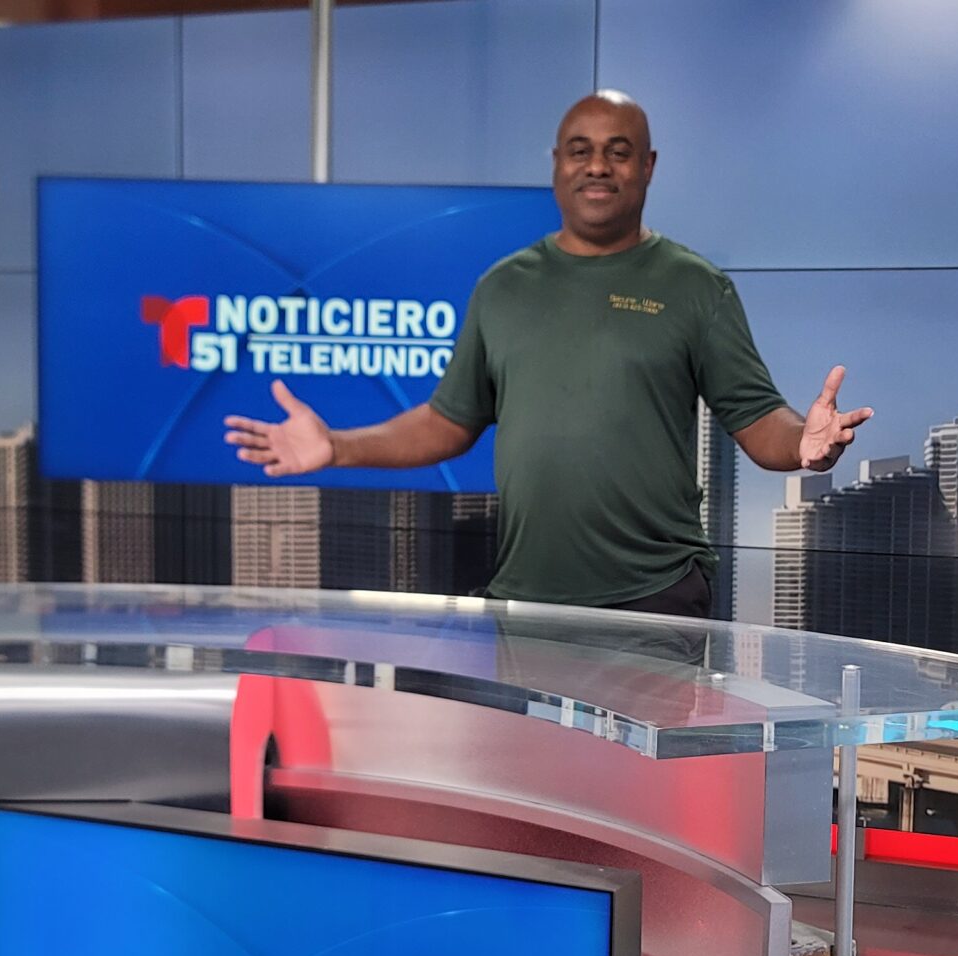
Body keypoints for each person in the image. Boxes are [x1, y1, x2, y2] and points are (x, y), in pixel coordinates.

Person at [224, 90, 871, 620]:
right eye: (580, 150)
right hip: (526, 599)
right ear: (557, 164)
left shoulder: (696, 287)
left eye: (618, 152)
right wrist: (337, 446)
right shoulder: (503, 287)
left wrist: (805, 445)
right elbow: (447, 423)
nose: (598, 166)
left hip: (655, 596)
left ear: (648, 166)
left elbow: (757, 421)